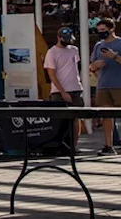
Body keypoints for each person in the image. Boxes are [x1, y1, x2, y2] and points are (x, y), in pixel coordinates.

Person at [44, 26, 86, 141]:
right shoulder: (52, 52)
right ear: (58, 37)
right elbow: (51, 74)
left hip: (75, 88)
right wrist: (62, 91)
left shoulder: (74, 50)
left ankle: (74, 145)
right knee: (59, 120)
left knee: (76, 119)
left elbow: (76, 65)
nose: (67, 41)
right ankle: (59, 145)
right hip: (59, 91)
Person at [90, 17, 121, 156]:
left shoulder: (120, 43)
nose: (101, 32)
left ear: (111, 29)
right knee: (106, 116)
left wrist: (114, 57)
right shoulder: (98, 45)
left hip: (118, 84)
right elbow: (91, 65)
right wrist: (95, 66)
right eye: (99, 30)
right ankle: (109, 145)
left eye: (103, 30)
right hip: (103, 85)